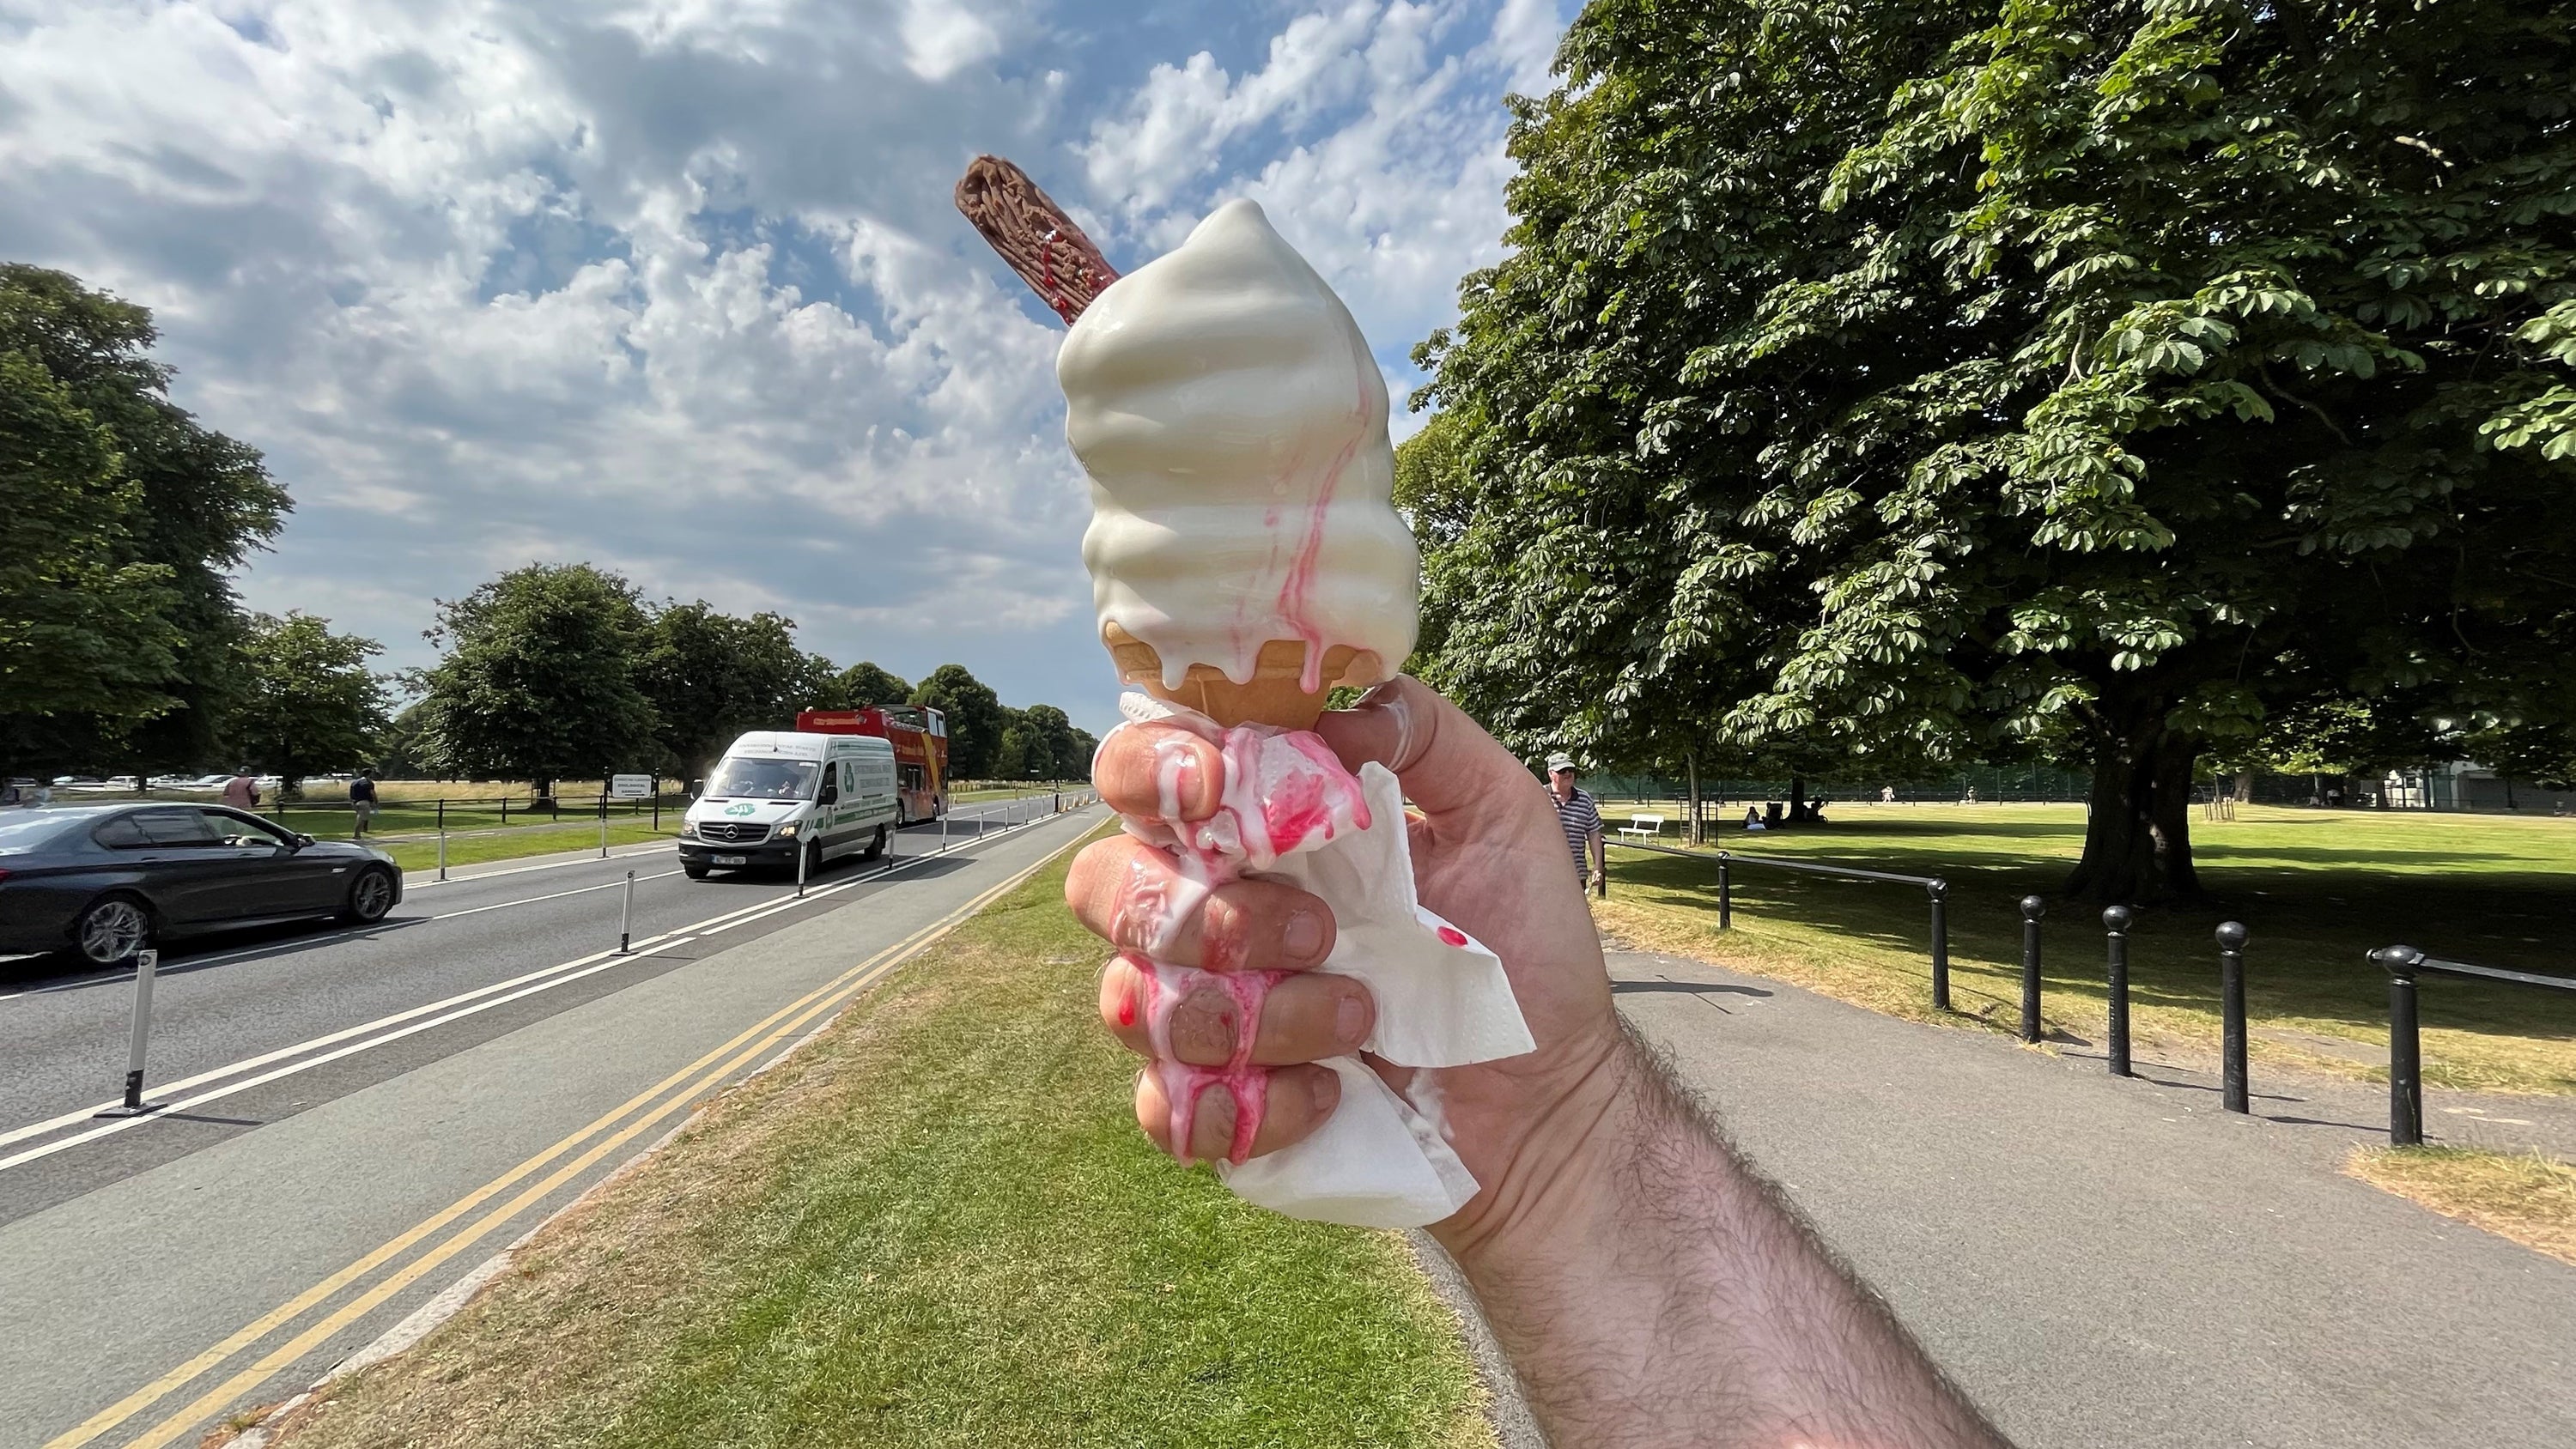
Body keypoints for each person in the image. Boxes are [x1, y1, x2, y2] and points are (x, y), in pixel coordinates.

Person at [1067, 680, 2009, 1446]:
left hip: (1546, 942)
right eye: (1555, 771)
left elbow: (1585, 841)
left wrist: (1564, 1092)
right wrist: (1549, 1135)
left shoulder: (1575, 809)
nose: (1558, 778)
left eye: (1561, 771)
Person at [1542, 752, 1604, 894]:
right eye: (1562, 771)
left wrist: (1597, 867)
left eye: (1571, 770)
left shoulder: (1584, 799)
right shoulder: (1539, 796)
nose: (1568, 774)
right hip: (1543, 875)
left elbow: (1594, 833)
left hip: (1576, 875)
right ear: (1551, 773)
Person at [348, 771, 379, 837]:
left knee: (361, 817)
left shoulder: (354, 782)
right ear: (369, 774)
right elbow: (372, 793)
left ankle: (359, 833)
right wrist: (375, 802)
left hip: (355, 802)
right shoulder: (369, 783)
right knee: (361, 819)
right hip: (364, 802)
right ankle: (357, 834)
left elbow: (351, 793)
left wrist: (352, 802)